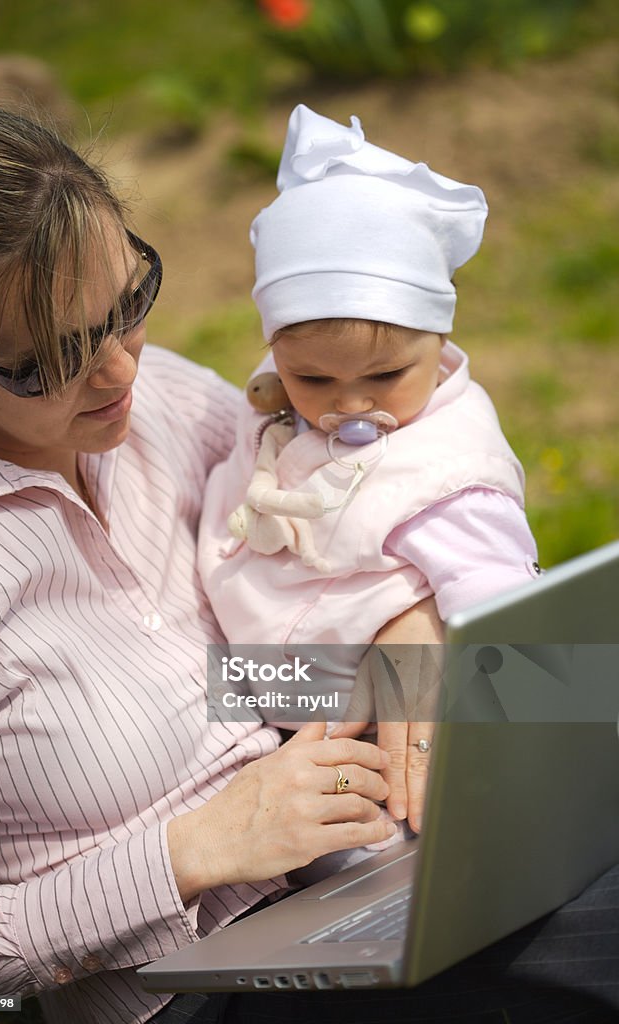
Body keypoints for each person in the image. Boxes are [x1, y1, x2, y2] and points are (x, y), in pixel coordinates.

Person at [0, 107, 615, 1024]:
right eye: (52, 359)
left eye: (127, 307)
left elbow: (237, 677)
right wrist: (200, 847)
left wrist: (398, 622)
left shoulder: (169, 399)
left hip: (361, 873)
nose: (117, 373)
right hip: (189, 987)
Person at [197, 104, 540, 840]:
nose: (349, 404)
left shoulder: (445, 470)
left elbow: (502, 606)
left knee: (395, 840)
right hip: (273, 706)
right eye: (312, 379)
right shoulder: (272, 412)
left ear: (440, 338)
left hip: (393, 724)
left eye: (385, 374)